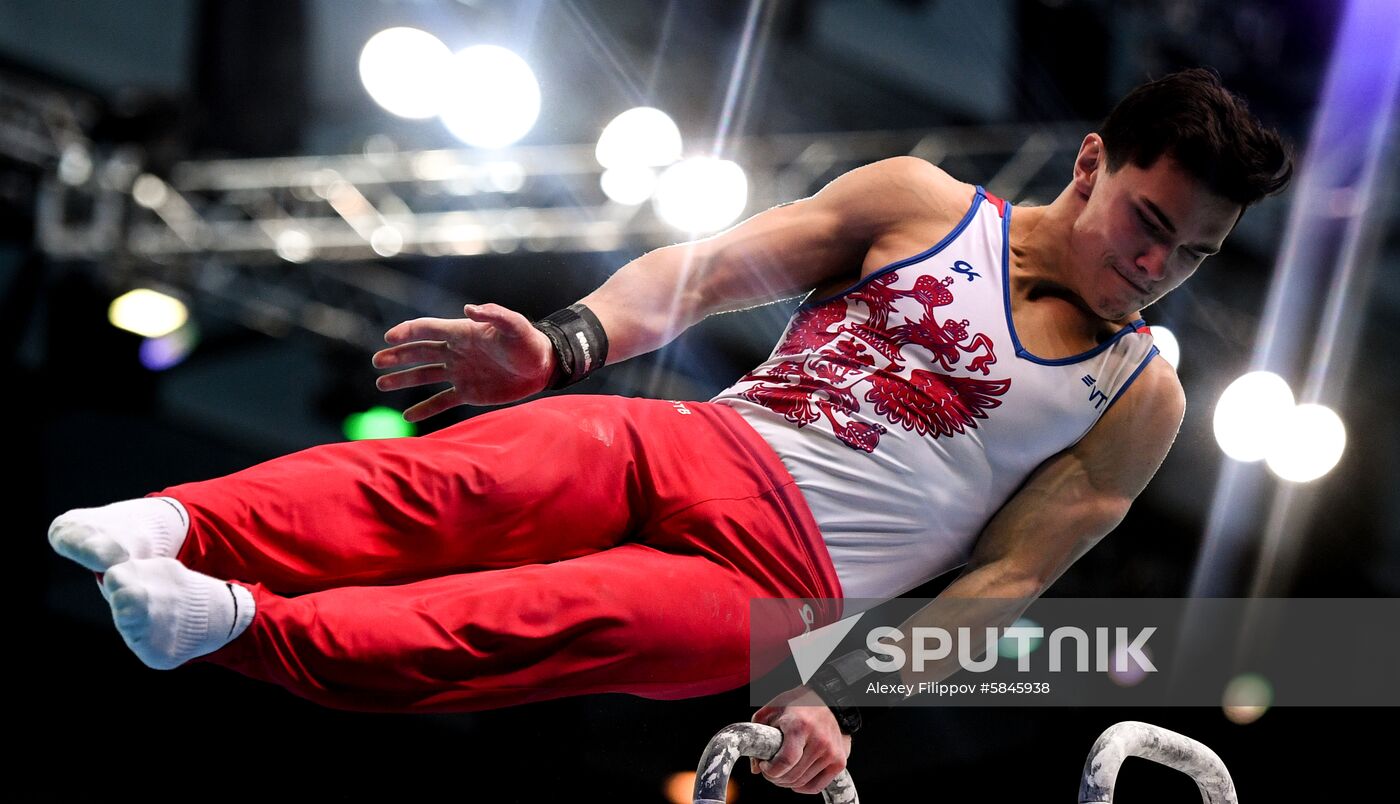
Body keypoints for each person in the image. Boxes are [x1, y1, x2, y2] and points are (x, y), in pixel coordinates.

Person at [48, 67, 1290, 795]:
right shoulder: (917, 204)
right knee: (460, 480)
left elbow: (1004, 581)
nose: (1156, 266)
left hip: (778, 593)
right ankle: (176, 519)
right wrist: (562, 343)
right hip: (701, 442)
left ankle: (237, 624)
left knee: (527, 623)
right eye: (1146, 221)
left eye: (1195, 252)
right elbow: (701, 275)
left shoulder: (1138, 396)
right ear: (1088, 163)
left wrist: (838, 699)